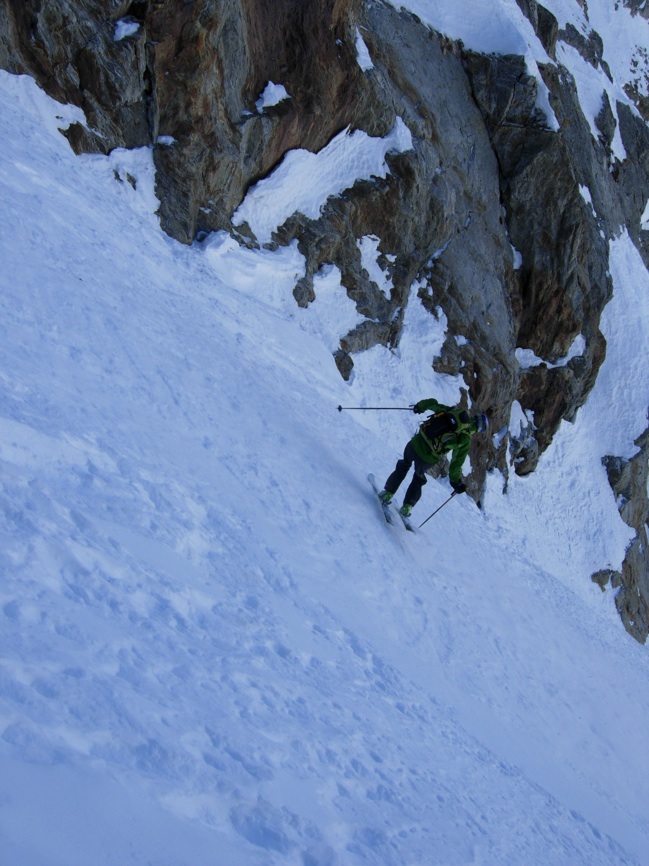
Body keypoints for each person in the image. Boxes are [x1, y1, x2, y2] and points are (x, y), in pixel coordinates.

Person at [379, 398, 488, 517]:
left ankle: (388, 493)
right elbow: (456, 463)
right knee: (418, 478)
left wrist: (419, 407)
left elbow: (433, 404)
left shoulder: (454, 412)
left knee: (403, 466)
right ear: (478, 429)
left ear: (474, 417)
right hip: (428, 458)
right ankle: (406, 507)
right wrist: (455, 483)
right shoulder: (465, 439)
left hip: (416, 443)